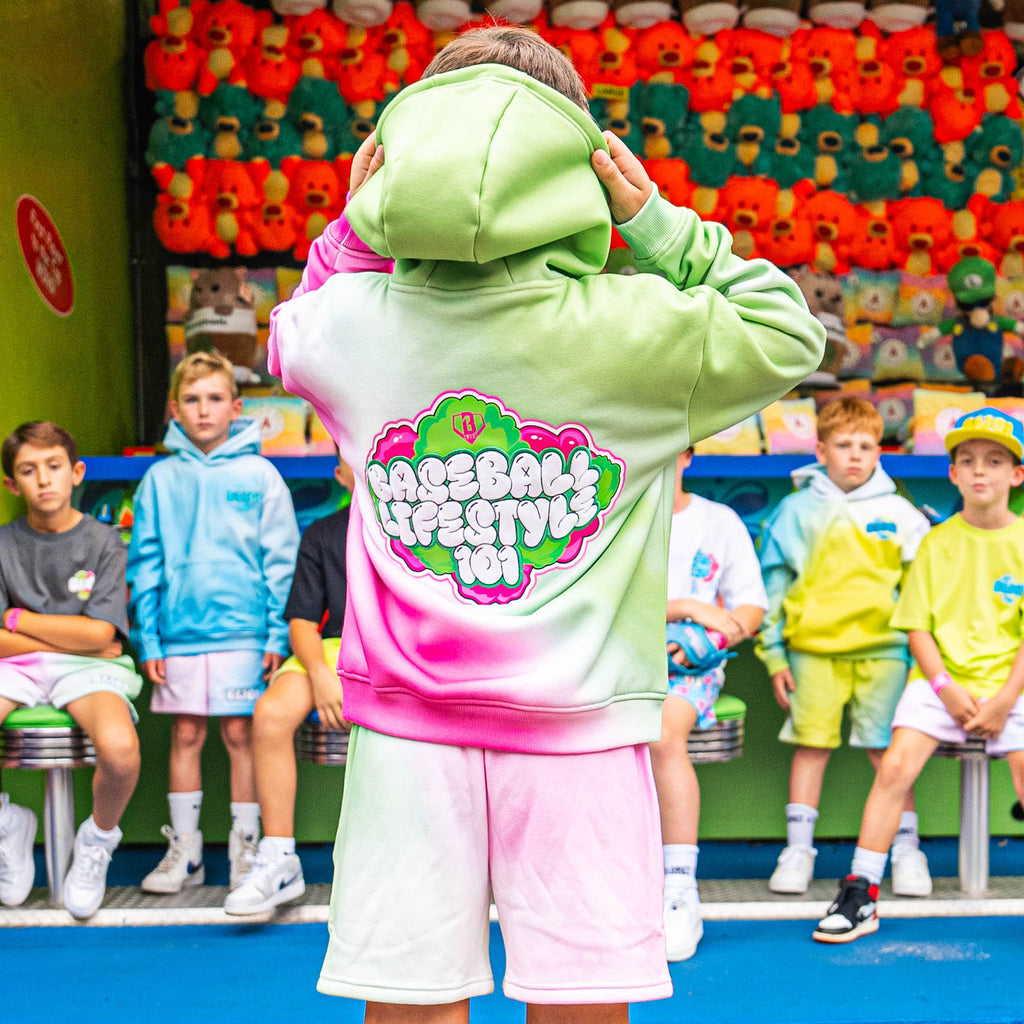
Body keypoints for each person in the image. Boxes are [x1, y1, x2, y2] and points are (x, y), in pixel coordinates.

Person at [268, 25, 824, 1023]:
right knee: (579, 1004)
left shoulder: (356, 324)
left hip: (403, 732)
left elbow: (295, 325)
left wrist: (356, 222)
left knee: (410, 1002)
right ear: (573, 165)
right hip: (582, 733)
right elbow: (787, 328)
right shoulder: (637, 328)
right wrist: (653, 221)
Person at [814, 407, 1024, 943]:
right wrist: (946, 689)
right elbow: (918, 629)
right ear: (952, 473)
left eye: (995, 461)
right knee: (894, 766)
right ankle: (860, 892)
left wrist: (1002, 702)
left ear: (1016, 475)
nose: (981, 471)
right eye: (968, 461)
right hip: (939, 684)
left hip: (1011, 685)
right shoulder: (935, 542)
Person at [127, 352, 299, 895]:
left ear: (236, 406)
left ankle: (247, 850)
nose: (204, 411)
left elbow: (281, 562)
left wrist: (275, 634)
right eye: (193, 400)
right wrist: (148, 636)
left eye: (215, 399)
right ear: (175, 409)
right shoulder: (158, 479)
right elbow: (145, 561)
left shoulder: (261, 475)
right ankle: (186, 852)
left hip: (247, 633)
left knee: (239, 733)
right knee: (185, 733)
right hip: (176, 633)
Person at [755, 396, 932, 897]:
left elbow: (919, 594)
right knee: (811, 749)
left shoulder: (901, 514)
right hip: (811, 653)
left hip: (884, 653)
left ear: (880, 451)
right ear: (820, 449)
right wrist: (773, 656)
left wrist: (920, 663)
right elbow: (773, 588)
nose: (855, 455)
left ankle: (906, 850)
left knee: (890, 754)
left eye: (866, 446)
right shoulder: (793, 511)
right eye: (844, 445)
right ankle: (798, 851)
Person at [0, 421, 142, 919]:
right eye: (28, 470)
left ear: (76, 472)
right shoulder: (3, 544)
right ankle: (6, 824)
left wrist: (16, 618)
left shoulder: (105, 542)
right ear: (11, 485)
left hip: (84, 669)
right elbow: (84, 637)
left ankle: (97, 841)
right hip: (16, 665)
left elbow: (102, 636)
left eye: (54, 467)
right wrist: (74, 637)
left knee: (121, 750)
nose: (44, 480)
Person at [224, 453, 353, 916]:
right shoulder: (322, 534)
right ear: (340, 474)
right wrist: (319, 674)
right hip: (333, 649)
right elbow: (302, 621)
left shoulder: (421, 532)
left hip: (396, 650)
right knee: (271, 713)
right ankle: (279, 858)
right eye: (352, 459)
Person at [652, 447, 767, 962]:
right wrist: (689, 607)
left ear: (687, 454)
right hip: (611, 666)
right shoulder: (609, 520)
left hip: (685, 673)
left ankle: (678, 889)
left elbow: (750, 605)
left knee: (661, 734)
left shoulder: (718, 521)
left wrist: (713, 639)